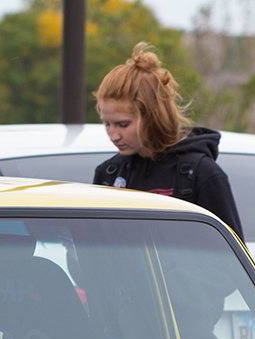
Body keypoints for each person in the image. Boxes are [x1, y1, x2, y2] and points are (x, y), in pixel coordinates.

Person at [91, 43, 243, 240]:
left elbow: (230, 257)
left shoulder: (201, 174)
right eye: (107, 124)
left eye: (123, 124)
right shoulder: (108, 174)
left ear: (153, 117)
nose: (114, 135)